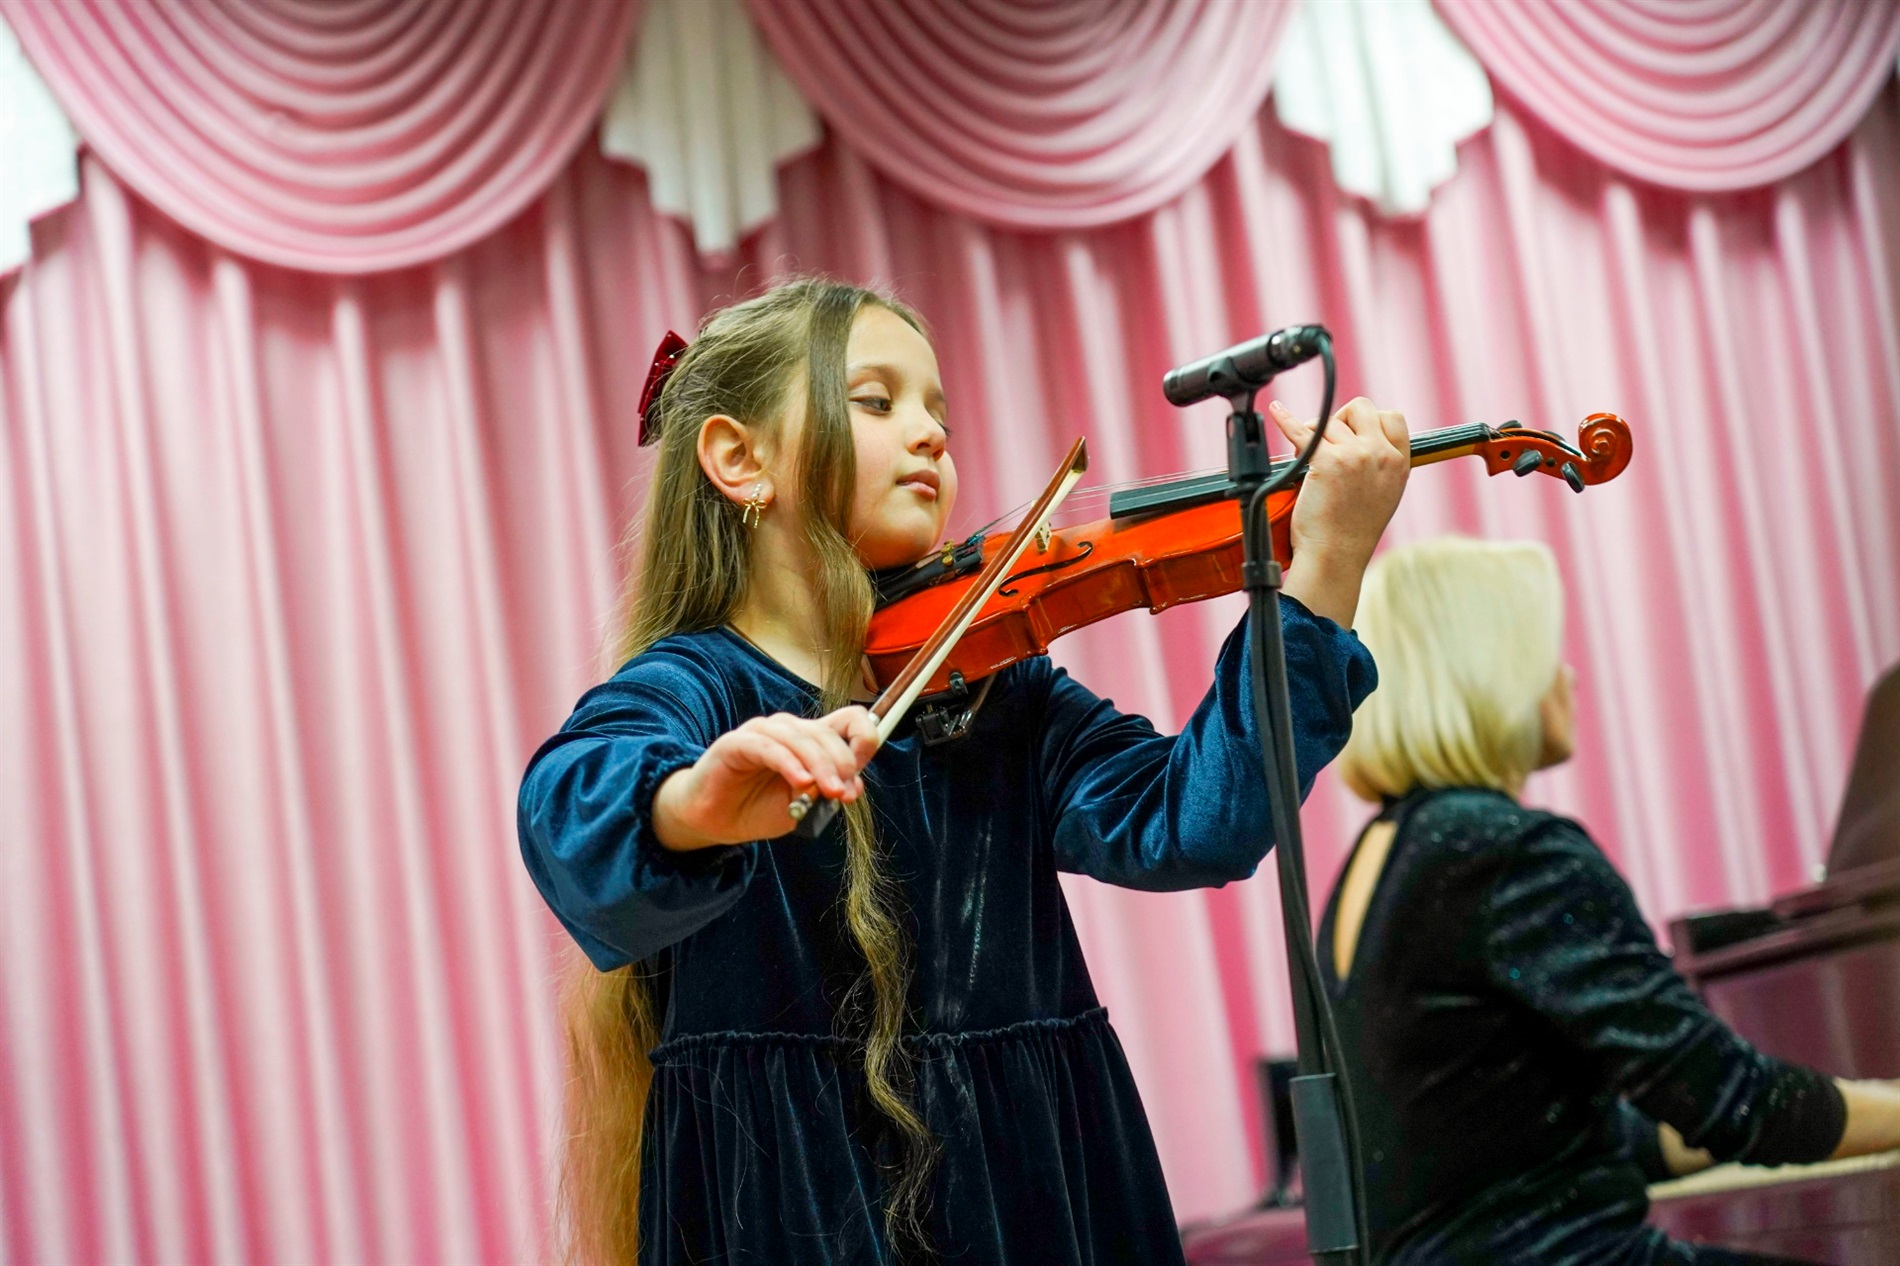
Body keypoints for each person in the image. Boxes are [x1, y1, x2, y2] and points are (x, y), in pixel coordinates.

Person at [516, 278, 1410, 1265]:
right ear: (738, 458)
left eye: (938, 411)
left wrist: (1323, 570)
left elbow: (1198, 822)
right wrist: (695, 802)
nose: (932, 434)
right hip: (801, 1200)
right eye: (877, 401)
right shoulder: (693, 686)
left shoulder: (995, 691)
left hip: (1030, 1177)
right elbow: (574, 804)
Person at [1320, 535, 1900, 1265]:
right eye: (1541, 653)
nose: (1566, 676)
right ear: (1489, 672)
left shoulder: (1381, 860)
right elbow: (1742, 1105)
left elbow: (1532, 1137)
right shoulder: (1503, 851)